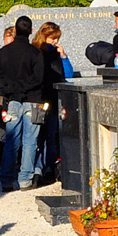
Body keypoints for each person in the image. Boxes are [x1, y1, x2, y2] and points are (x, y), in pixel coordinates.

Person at [0, 16, 44, 192]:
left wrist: (11, 88)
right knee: (31, 141)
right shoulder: (36, 53)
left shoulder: (4, 52)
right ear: (31, 31)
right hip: (33, 100)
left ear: (14, 30)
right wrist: (22, 87)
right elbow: (38, 78)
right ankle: (25, 179)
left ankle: (6, 180)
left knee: (11, 141)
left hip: (12, 100)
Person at [32, 22, 74, 185]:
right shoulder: (36, 51)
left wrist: (63, 57)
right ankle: (39, 167)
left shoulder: (56, 53)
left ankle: (50, 166)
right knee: (39, 135)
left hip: (54, 97)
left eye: (57, 39)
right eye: (52, 38)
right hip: (41, 97)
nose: (55, 42)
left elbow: (68, 74)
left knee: (52, 134)